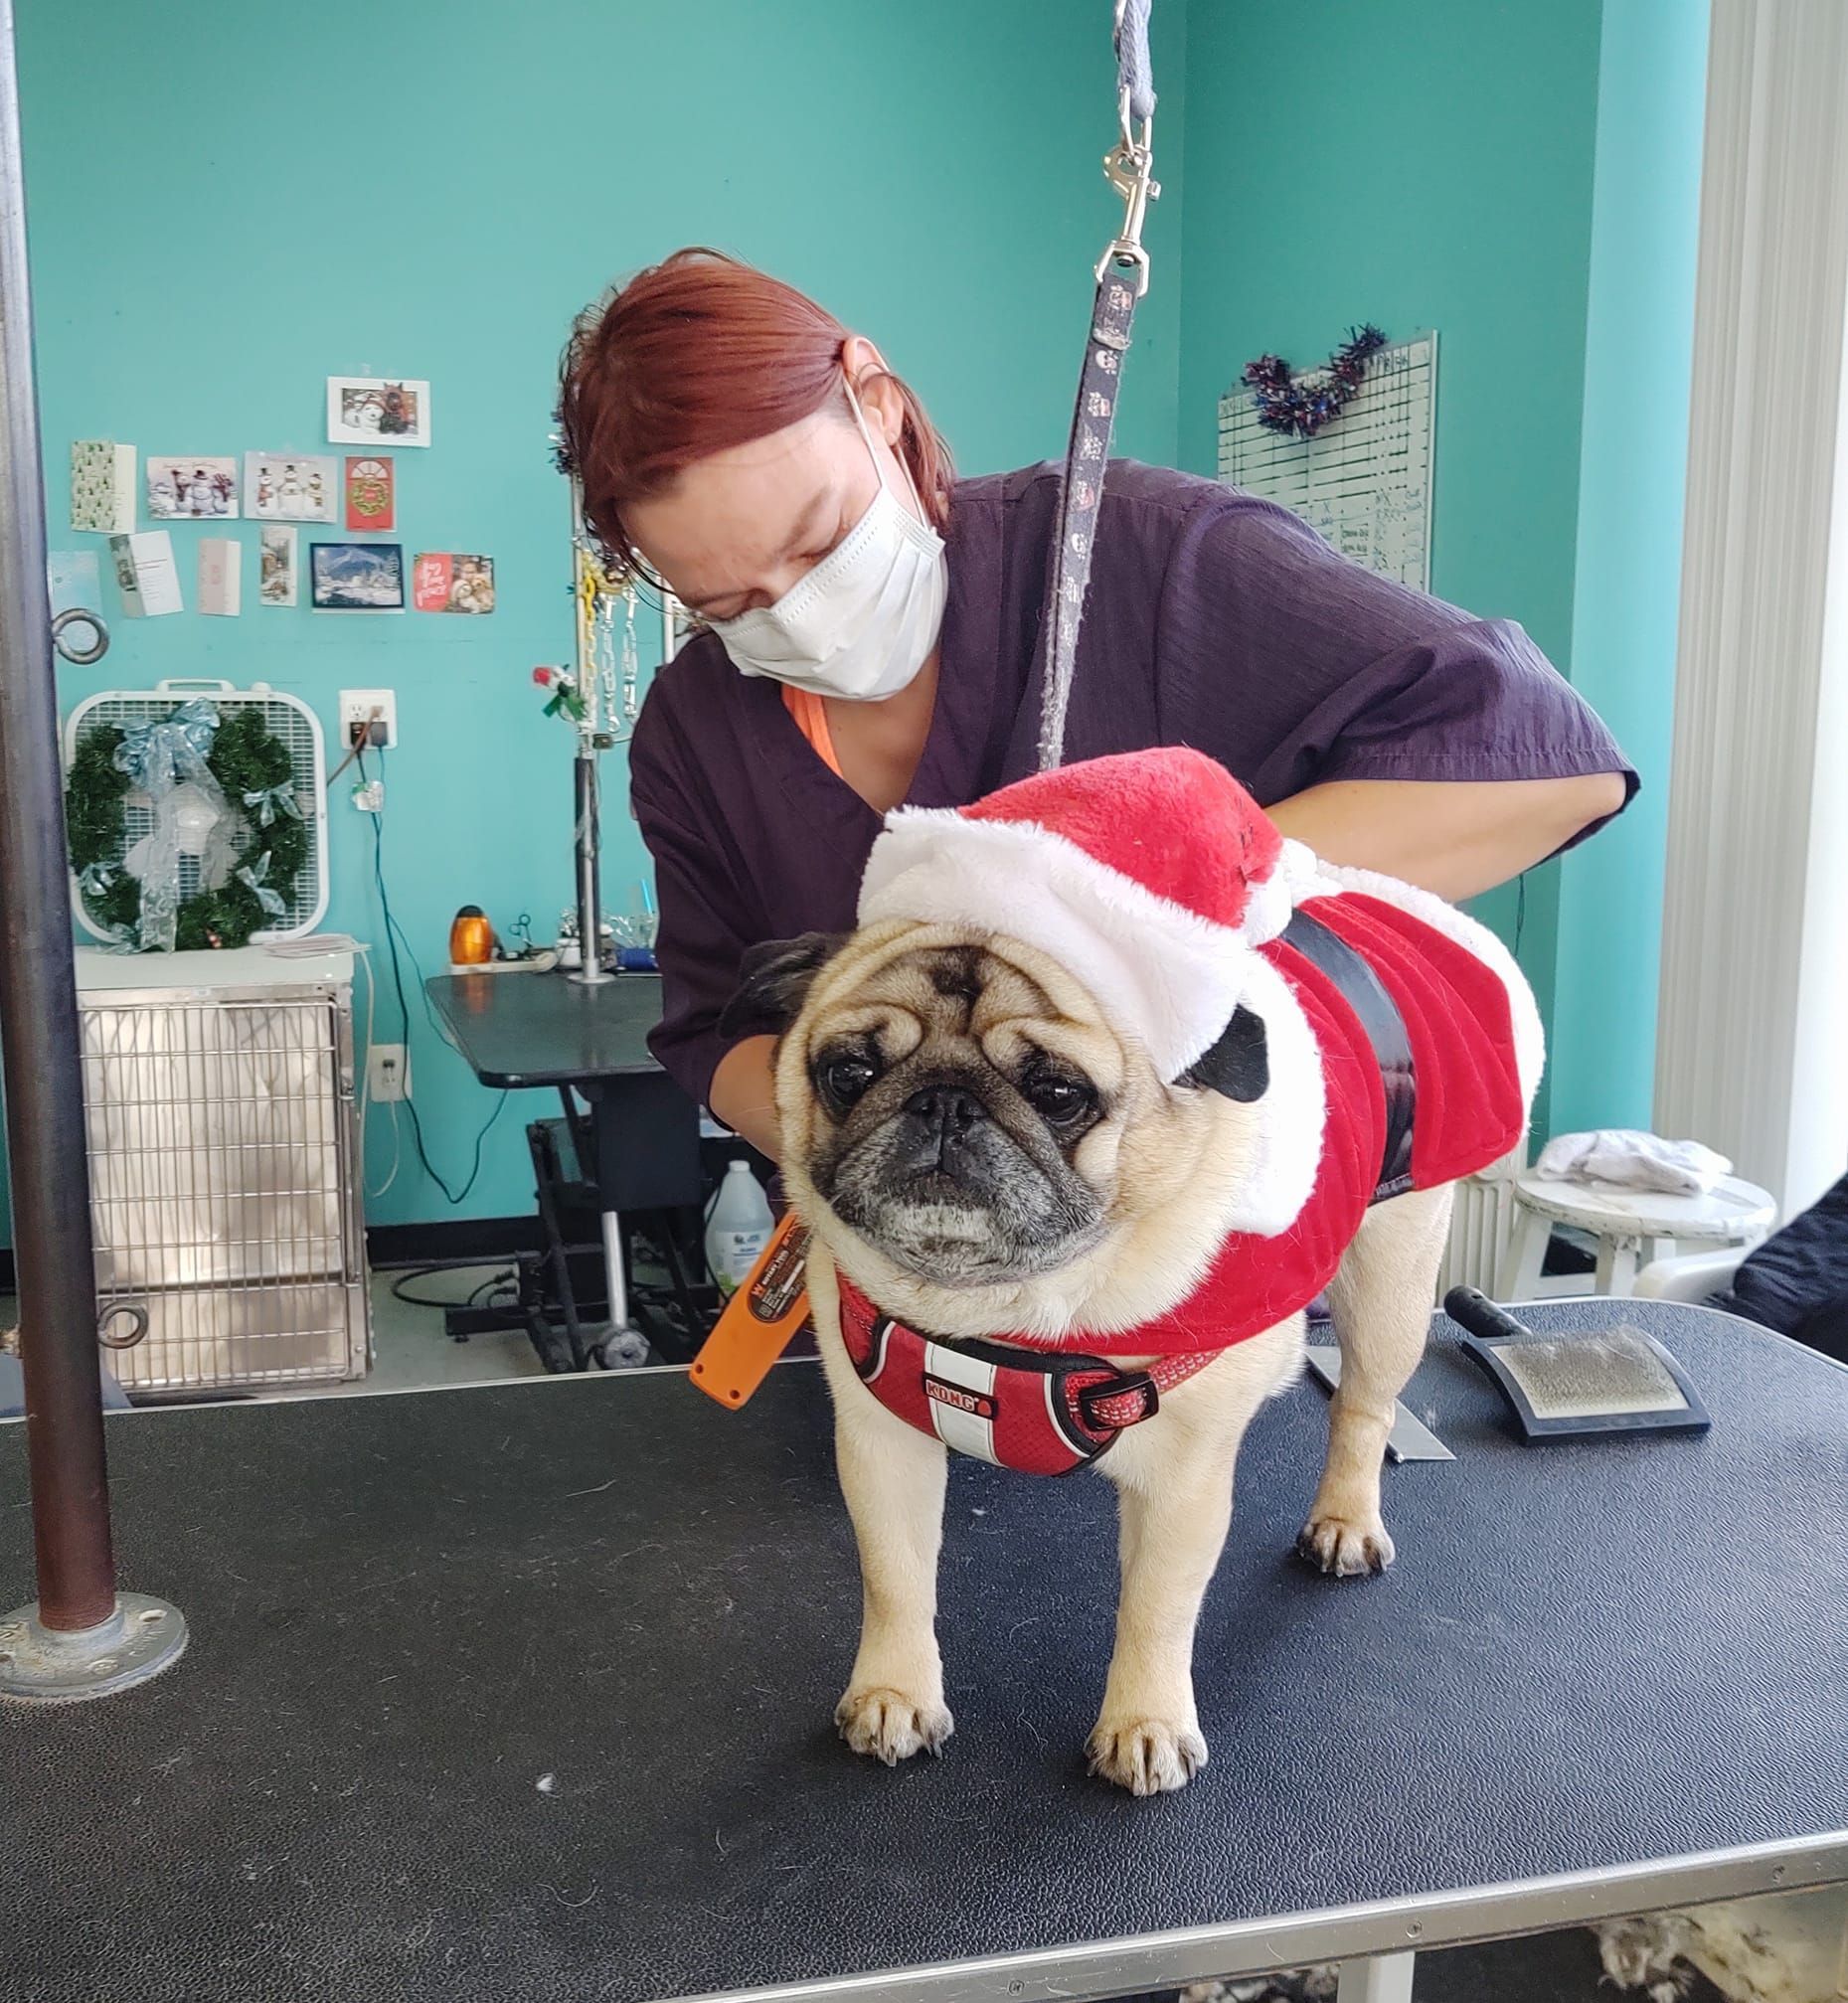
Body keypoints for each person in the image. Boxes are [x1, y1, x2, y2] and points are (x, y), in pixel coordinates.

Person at [557, 250, 1634, 1163]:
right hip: (908, 1280)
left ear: (875, 403)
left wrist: (1141, 900)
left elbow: (1543, 763)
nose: (796, 614)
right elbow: (711, 1030)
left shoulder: (1144, 559)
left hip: (1210, 1274)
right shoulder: (695, 725)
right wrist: (871, 1156)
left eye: (818, 539)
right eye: (728, 601)